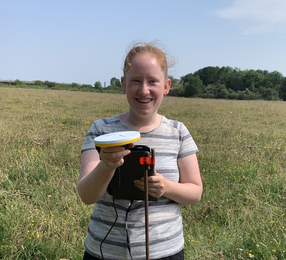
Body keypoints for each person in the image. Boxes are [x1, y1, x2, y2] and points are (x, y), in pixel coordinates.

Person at [77, 41, 202, 260]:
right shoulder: (101, 130)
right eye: (136, 81)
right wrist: (106, 166)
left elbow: (195, 193)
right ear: (124, 84)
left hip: (164, 252)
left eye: (152, 81)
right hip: (105, 251)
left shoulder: (178, 132)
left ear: (166, 86)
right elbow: (86, 196)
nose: (144, 90)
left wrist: (166, 186)